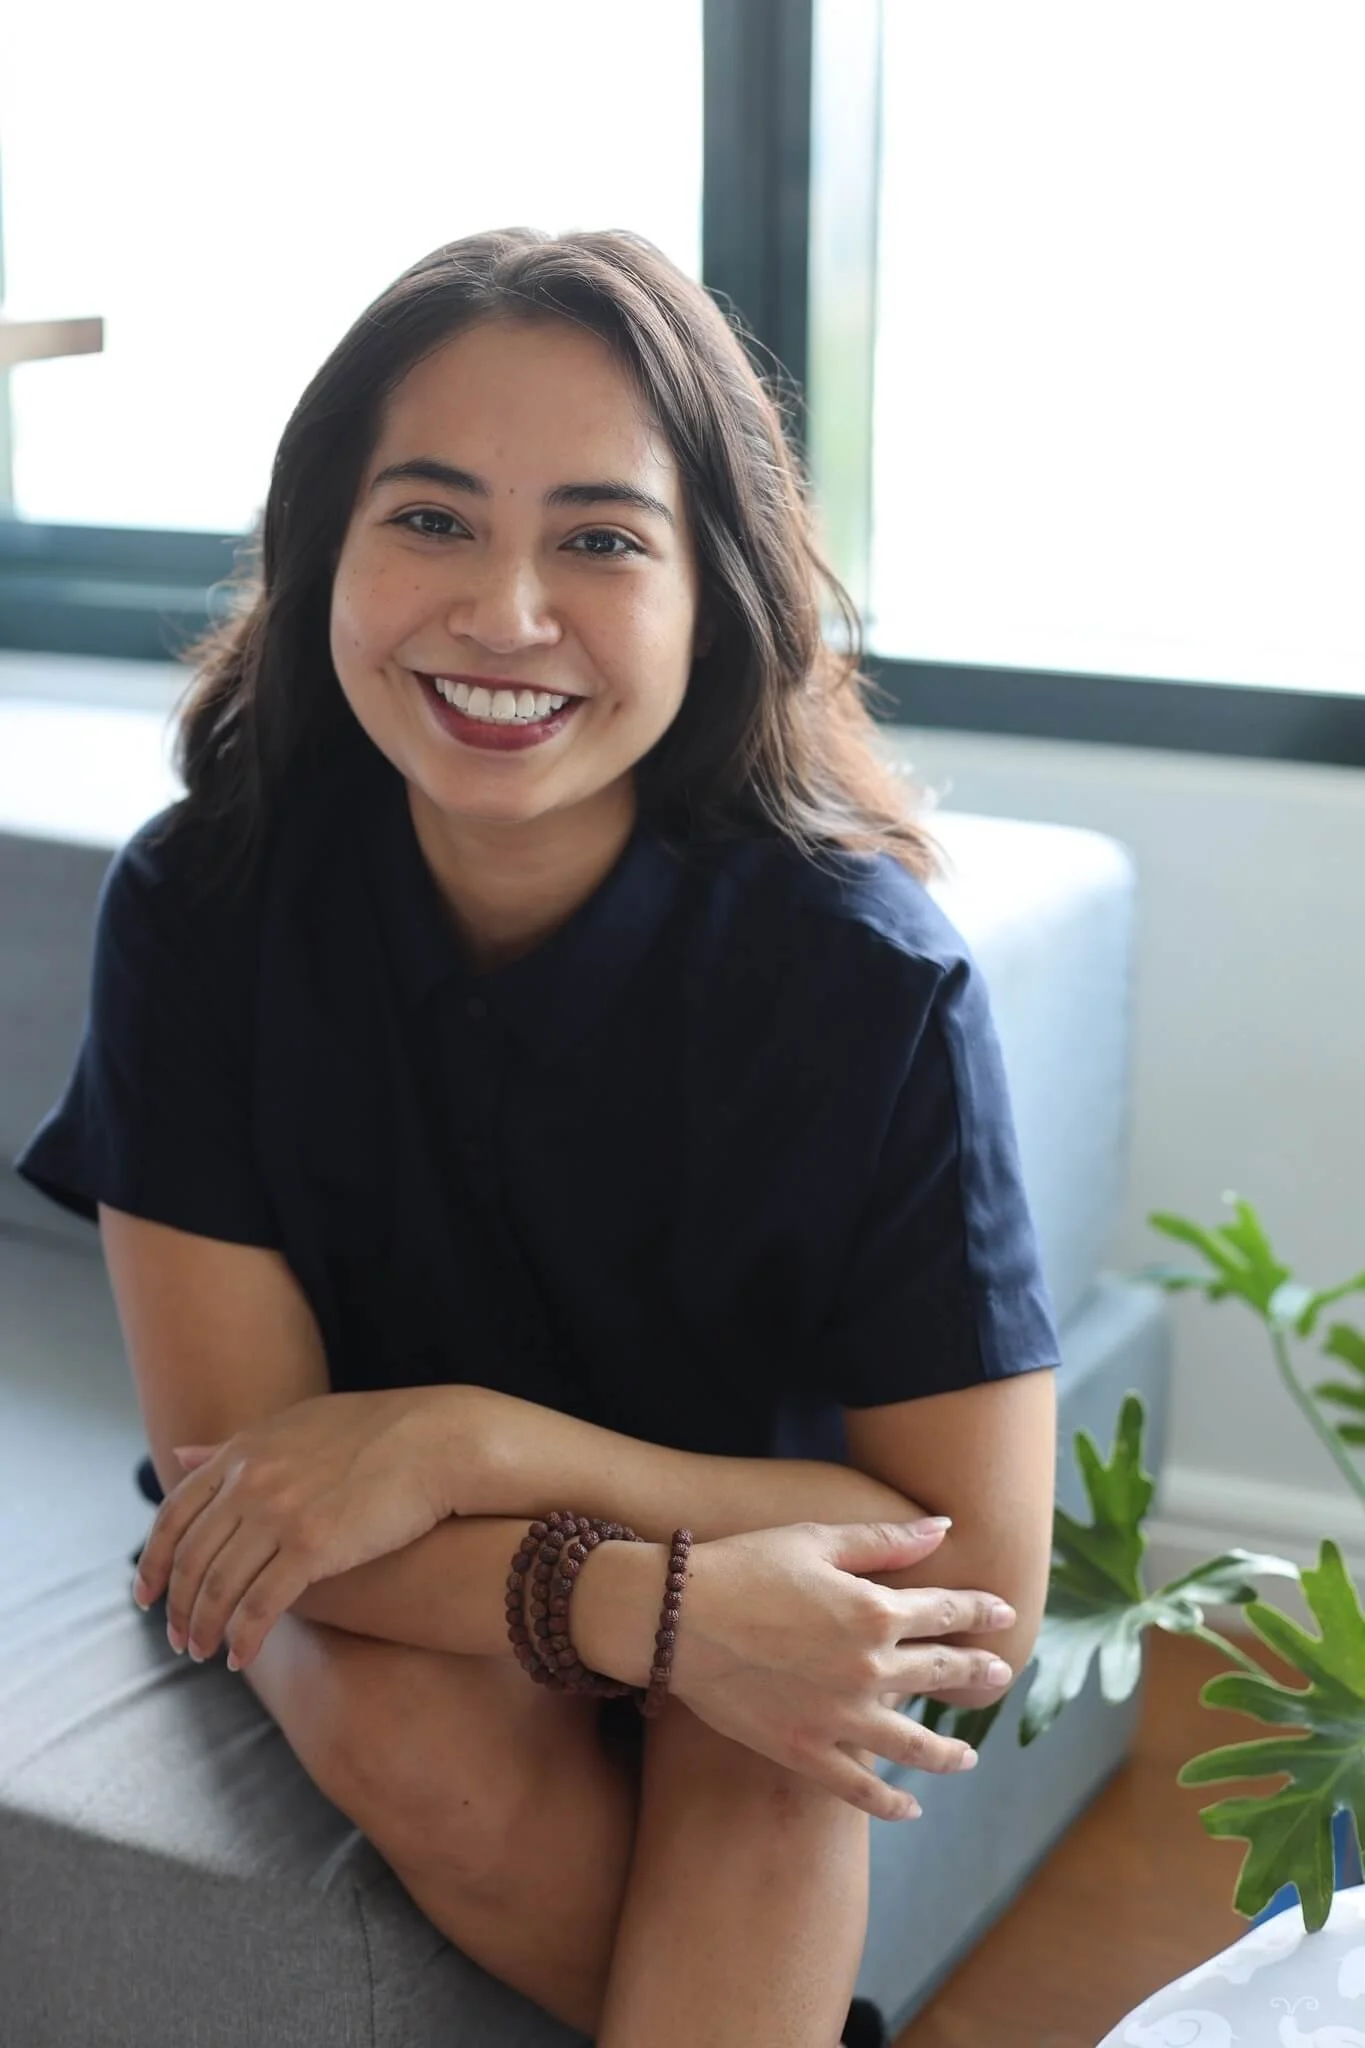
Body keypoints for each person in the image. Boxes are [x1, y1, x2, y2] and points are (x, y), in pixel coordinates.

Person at [15, 227, 1060, 2048]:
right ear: (321, 549)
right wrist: (661, 1612)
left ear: (713, 591)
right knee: (431, 1738)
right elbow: (244, 1501)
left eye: (599, 538)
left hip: (759, 1552)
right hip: (356, 1565)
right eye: (428, 519)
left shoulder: (866, 981)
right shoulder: (203, 904)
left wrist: (458, 1440)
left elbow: (973, 1580)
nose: (505, 613)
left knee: (783, 1729)